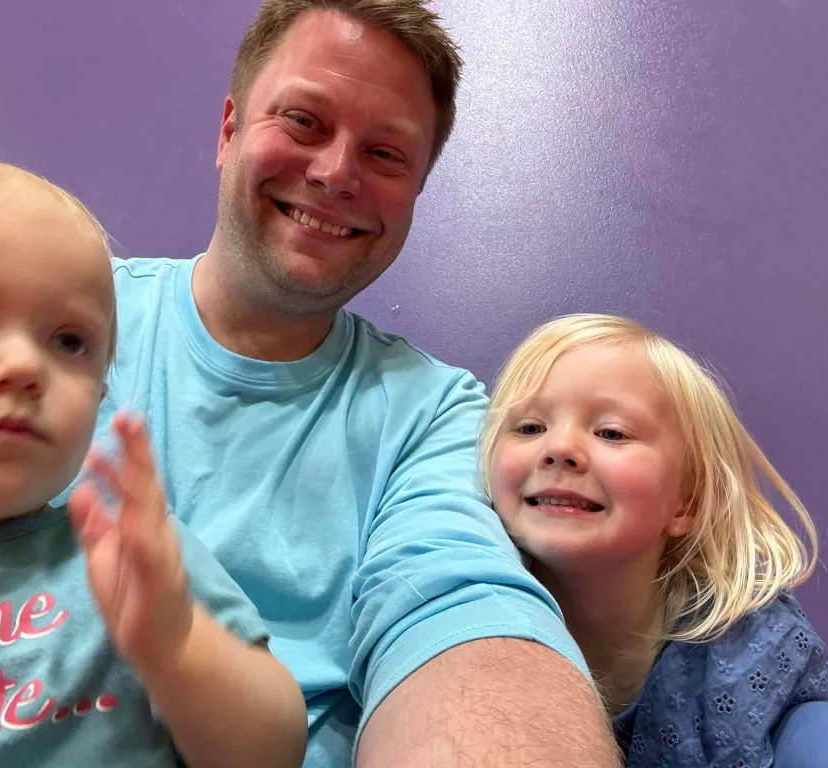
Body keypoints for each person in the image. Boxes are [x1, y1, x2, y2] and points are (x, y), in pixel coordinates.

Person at [73, 1, 619, 765]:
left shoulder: (434, 416)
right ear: (229, 130)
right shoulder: (57, 323)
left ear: (417, 193)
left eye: (387, 154)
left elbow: (461, 610)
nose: (335, 174)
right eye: (303, 120)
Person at [0, 159, 307, 767]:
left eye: (69, 341)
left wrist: (178, 648)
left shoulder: (132, 557)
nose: (22, 365)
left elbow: (270, 754)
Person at [479, 313, 828, 766]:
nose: (559, 447)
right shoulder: (456, 612)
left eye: (612, 432)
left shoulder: (753, 656)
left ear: (685, 503)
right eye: (530, 427)